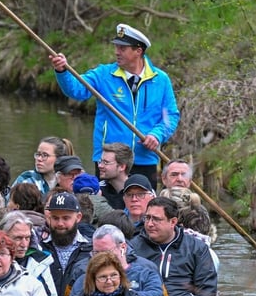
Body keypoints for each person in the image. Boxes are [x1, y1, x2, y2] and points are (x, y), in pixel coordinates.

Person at [49, 23, 180, 190]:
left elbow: (171, 116)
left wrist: (157, 135)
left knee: (142, 203)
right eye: (116, 47)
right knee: (107, 205)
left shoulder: (161, 80)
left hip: (145, 159)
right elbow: (76, 90)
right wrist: (62, 71)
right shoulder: (103, 74)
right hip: (108, 161)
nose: (117, 52)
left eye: (122, 48)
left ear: (138, 51)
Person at [129, 197, 217, 296]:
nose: (149, 224)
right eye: (147, 218)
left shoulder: (197, 248)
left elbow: (206, 291)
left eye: (156, 219)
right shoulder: (133, 248)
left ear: (173, 222)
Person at [66, 224, 165, 296]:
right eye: (96, 253)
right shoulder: (84, 279)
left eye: (106, 252)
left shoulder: (145, 274)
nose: (101, 257)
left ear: (123, 248)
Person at [39, 191, 93, 296]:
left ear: (78, 217)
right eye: (55, 218)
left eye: (66, 218)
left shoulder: (90, 250)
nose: (60, 223)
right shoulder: (39, 249)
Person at [0, 210, 57, 296]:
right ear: (3, 237)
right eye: (18, 238)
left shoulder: (40, 262)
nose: (24, 244)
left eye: (27, 238)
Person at [97, 142, 133, 210]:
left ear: (122, 167)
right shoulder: (98, 190)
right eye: (100, 161)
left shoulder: (140, 190)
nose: (100, 166)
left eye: (106, 162)